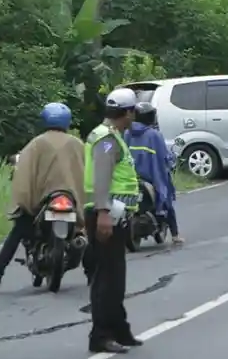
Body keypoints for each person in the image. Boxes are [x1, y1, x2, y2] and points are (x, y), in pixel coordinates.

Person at [0, 103, 85, 286]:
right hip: (71, 198)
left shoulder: (36, 143)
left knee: (18, 229)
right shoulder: (77, 144)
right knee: (85, 234)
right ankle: (92, 274)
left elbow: (24, 171)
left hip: (44, 200)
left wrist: (25, 203)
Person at [82, 88, 143, 354]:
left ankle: (120, 330)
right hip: (105, 215)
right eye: (132, 112)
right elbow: (102, 176)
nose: (133, 117)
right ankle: (101, 335)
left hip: (114, 214)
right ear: (127, 112)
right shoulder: (106, 140)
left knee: (115, 277)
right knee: (107, 279)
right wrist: (103, 213)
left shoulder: (110, 135)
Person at [124, 102, 183, 244]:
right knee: (166, 198)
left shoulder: (127, 133)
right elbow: (164, 157)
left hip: (131, 177)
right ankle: (175, 235)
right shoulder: (154, 135)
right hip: (152, 177)